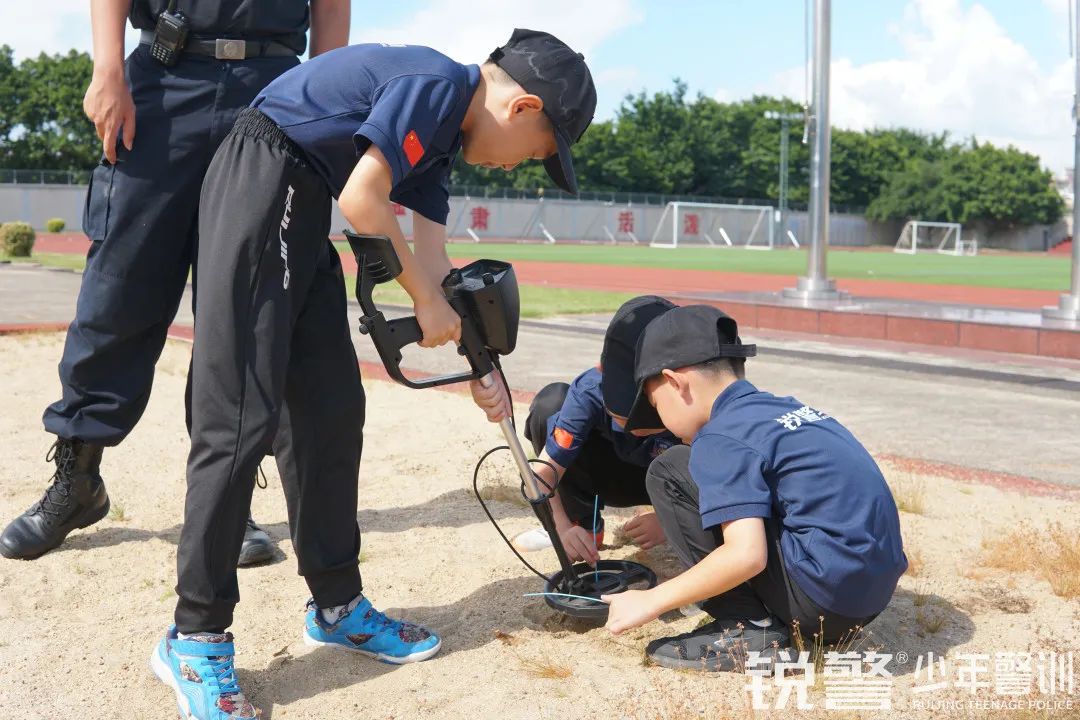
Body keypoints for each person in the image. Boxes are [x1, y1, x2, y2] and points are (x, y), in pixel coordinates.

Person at [150, 29, 596, 719]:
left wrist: (480, 362)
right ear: (522, 107)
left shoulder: (441, 141)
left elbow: (434, 261)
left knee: (330, 410)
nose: (517, 167)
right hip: (263, 177)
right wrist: (423, 301)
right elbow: (364, 200)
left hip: (303, 204)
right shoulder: (437, 85)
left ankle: (336, 603)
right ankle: (195, 636)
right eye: (535, 152)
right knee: (240, 419)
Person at [0, 0, 350, 564]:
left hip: (273, 90)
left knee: (244, 309)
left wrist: (327, 101)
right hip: (163, 83)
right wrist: (107, 69)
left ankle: (227, 500)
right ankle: (78, 479)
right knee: (117, 290)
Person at [605, 305, 907, 673]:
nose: (662, 422)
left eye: (656, 405)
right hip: (870, 598)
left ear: (675, 383)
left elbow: (747, 555)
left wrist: (651, 600)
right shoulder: (788, 410)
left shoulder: (720, 436)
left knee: (670, 470)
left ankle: (748, 625)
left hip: (822, 605)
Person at [516, 295, 681, 563]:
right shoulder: (592, 389)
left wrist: (670, 520)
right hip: (611, 474)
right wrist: (561, 528)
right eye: (625, 416)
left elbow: (721, 477)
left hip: (669, 481)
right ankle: (583, 525)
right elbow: (541, 476)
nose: (636, 429)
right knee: (551, 403)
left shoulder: (695, 400)